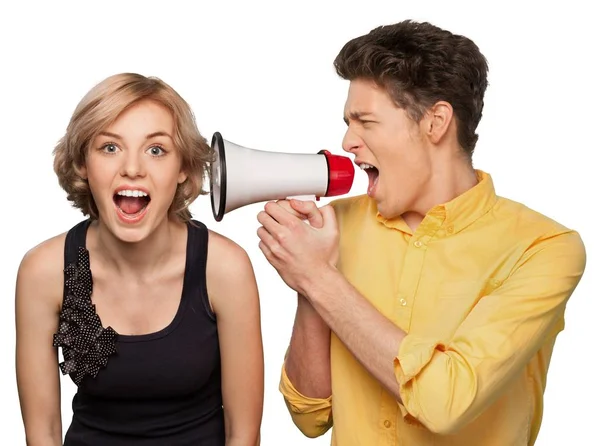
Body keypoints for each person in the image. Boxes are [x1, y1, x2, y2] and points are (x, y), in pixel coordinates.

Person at [256, 20, 586, 445]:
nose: (347, 141)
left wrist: (320, 278)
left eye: (365, 122)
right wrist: (309, 280)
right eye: (347, 122)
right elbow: (310, 417)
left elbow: (447, 402)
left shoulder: (544, 249)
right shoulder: (335, 227)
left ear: (436, 122)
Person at [15, 73, 264, 446]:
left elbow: (243, 435)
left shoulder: (225, 268)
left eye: (156, 150)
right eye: (110, 148)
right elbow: (43, 433)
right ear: (83, 163)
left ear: (183, 169)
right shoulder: (43, 271)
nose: (132, 168)